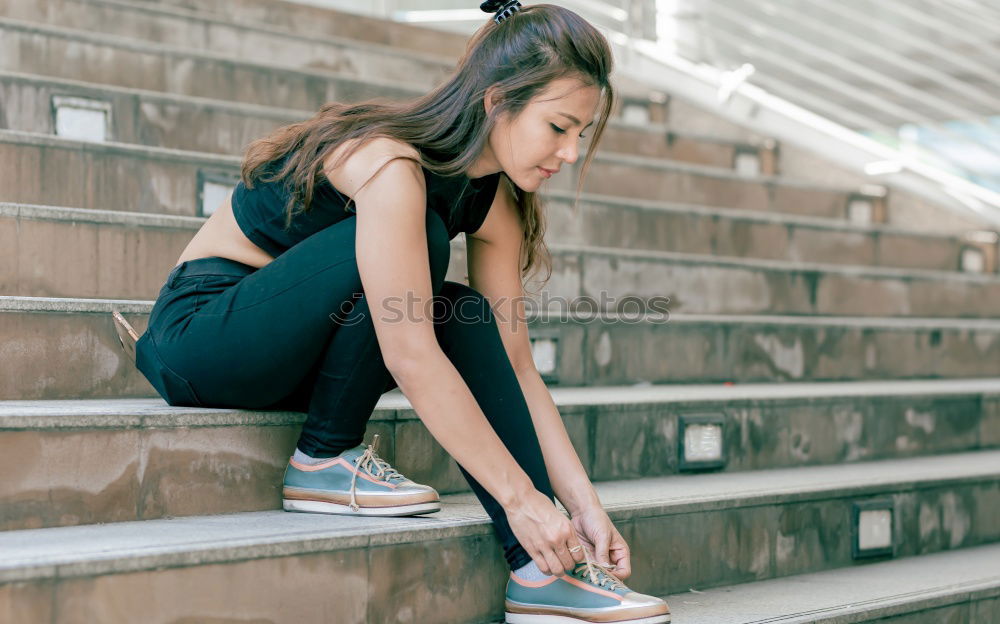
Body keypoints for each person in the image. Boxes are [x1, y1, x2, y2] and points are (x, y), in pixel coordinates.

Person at [130, 0, 669, 621]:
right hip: (205, 339)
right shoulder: (389, 163)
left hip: (300, 358)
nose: (571, 153)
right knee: (427, 246)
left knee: (459, 309)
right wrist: (523, 500)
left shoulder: (498, 205)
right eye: (558, 127)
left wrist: (581, 507)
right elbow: (409, 355)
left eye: (582, 134)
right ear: (497, 101)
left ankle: (539, 576)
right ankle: (323, 456)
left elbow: (518, 367)